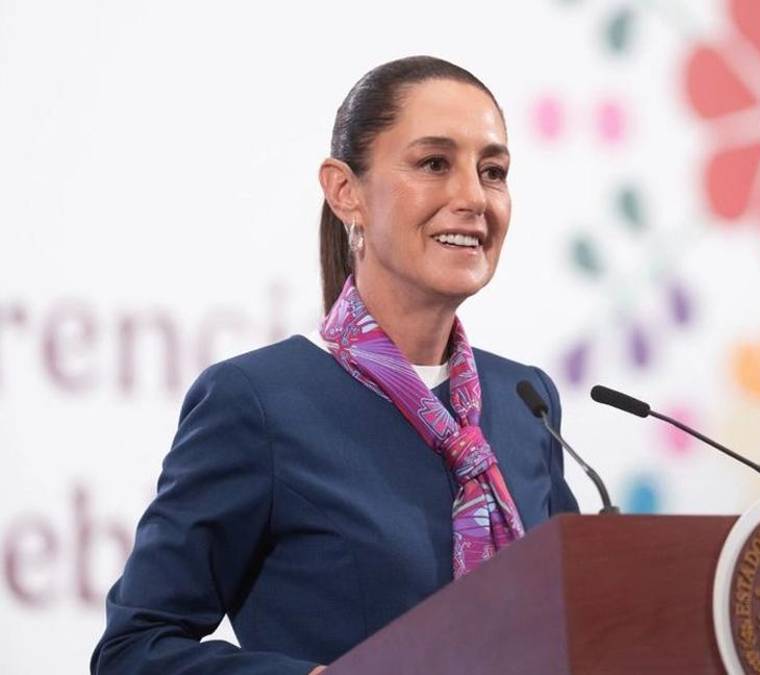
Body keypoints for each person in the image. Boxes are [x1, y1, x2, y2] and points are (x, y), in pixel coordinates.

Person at [91, 56, 580, 674]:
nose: (472, 197)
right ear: (346, 191)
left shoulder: (525, 399)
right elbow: (133, 651)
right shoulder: (258, 401)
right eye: (434, 164)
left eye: (493, 171)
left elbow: (581, 625)